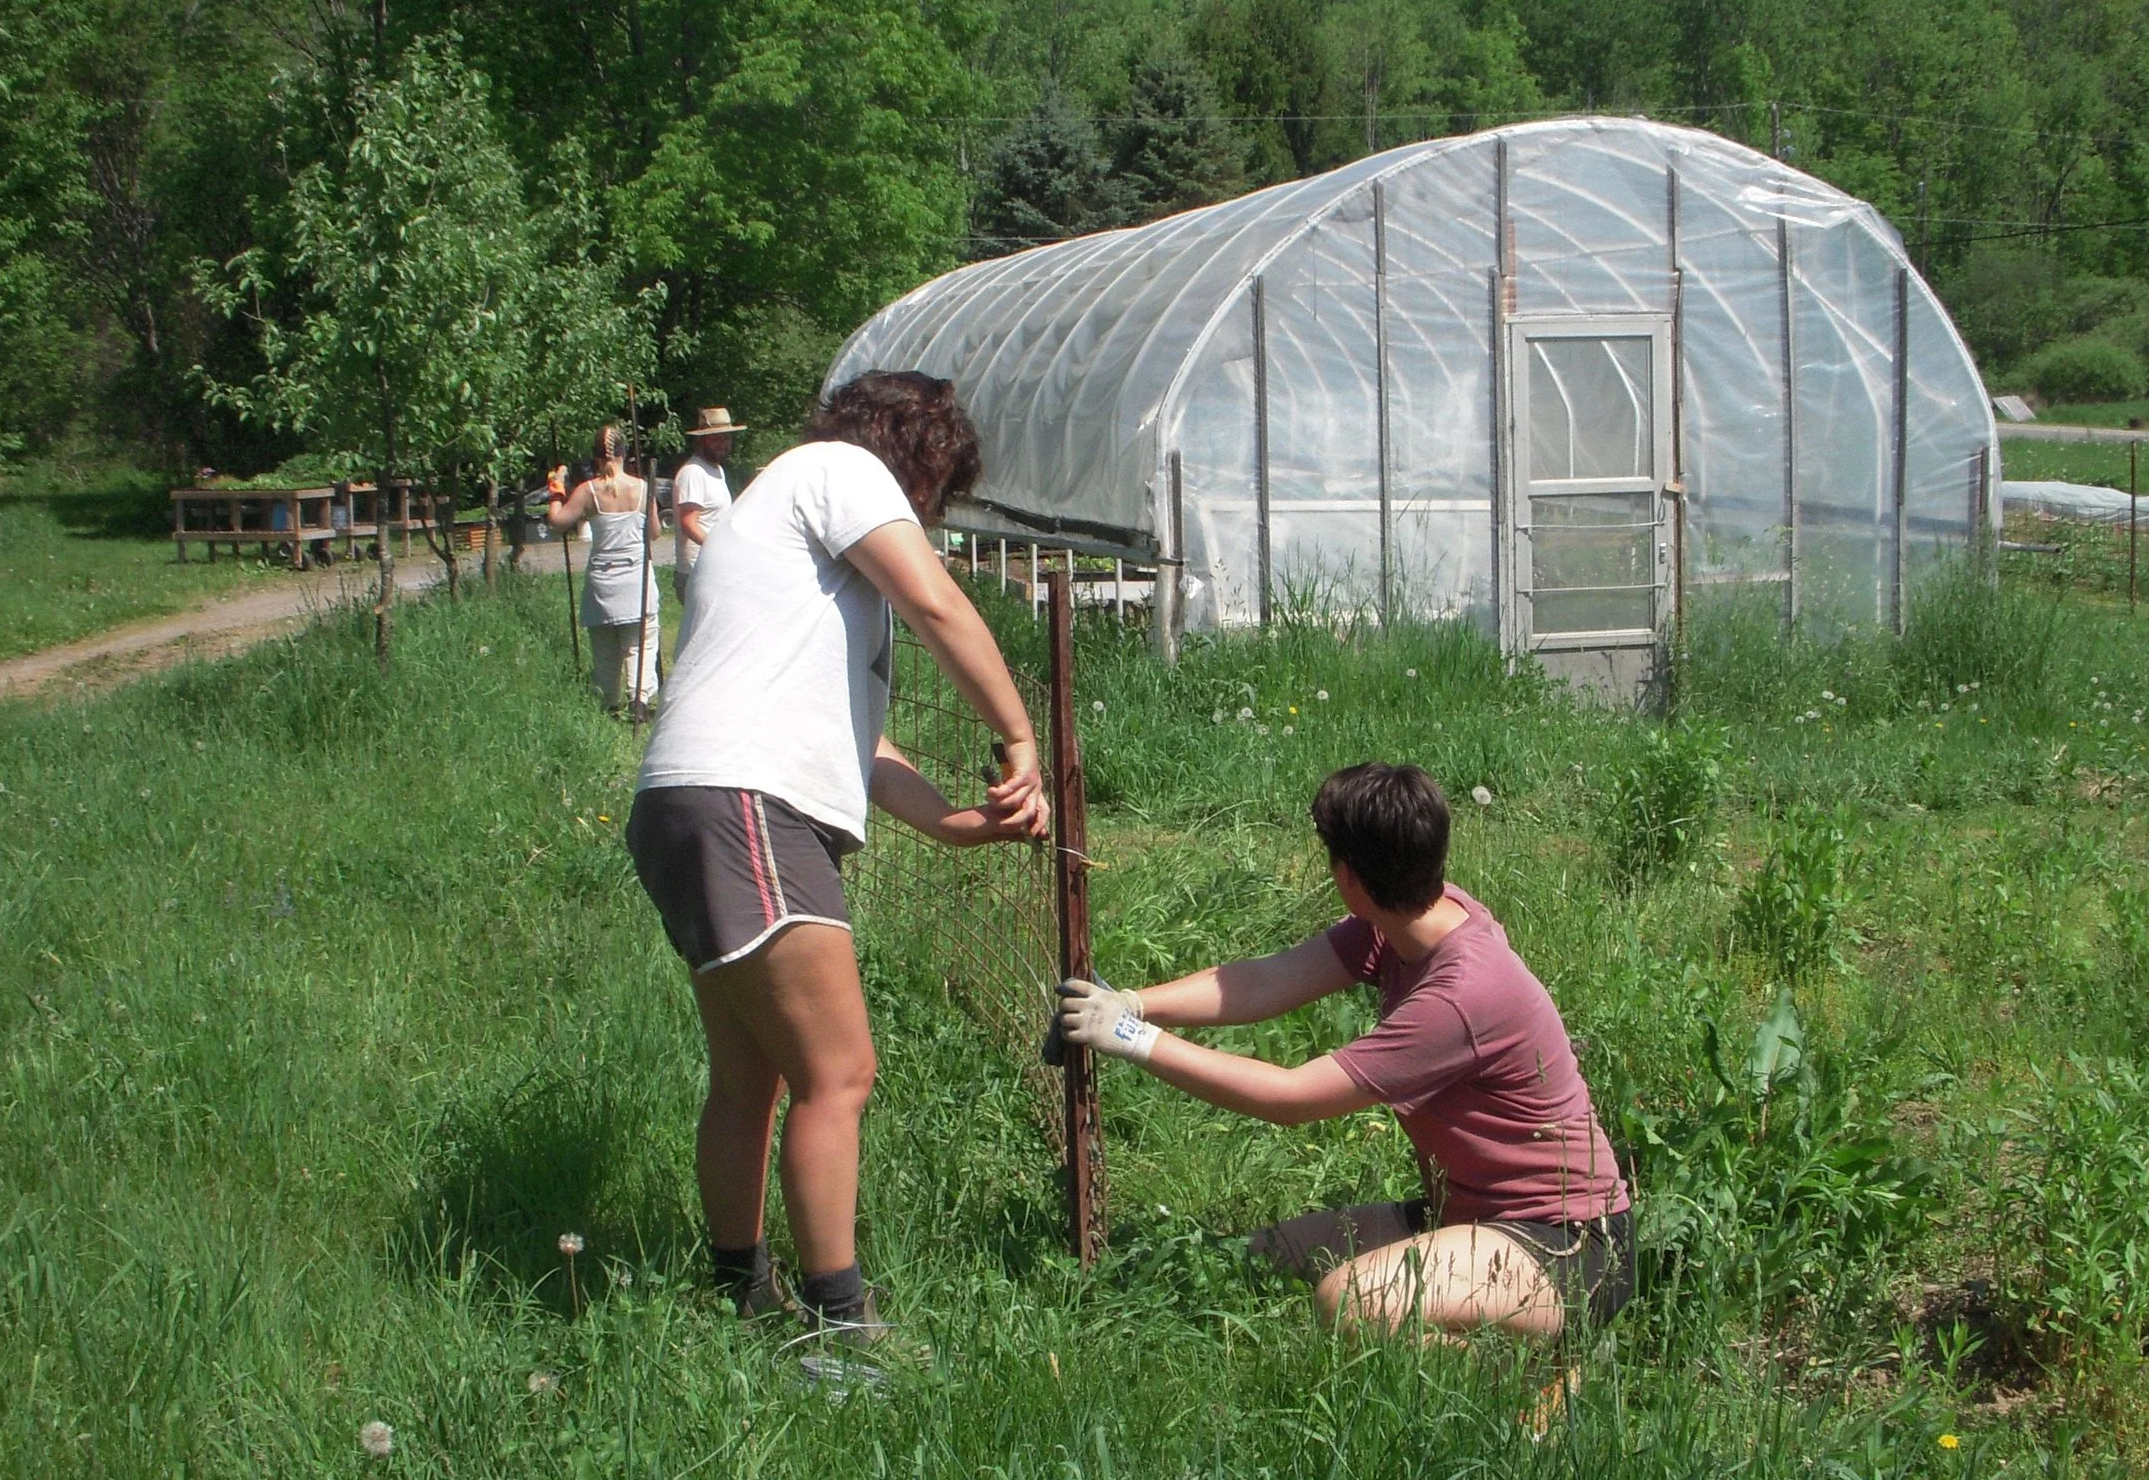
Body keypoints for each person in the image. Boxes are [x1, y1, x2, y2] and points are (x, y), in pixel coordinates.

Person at [626, 370, 1050, 1341]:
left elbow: (857, 743)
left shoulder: (779, 527)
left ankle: (739, 1289)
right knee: (840, 1074)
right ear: (918, 458)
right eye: (934, 500)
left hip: (690, 801)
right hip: (748, 804)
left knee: (751, 1078)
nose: (927, 522)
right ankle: (839, 1327)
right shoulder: (840, 470)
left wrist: (947, 821)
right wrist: (1016, 734)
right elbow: (939, 607)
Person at [1058, 762, 1632, 1348]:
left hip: (1566, 1244)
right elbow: (1265, 981)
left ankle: (1538, 1383)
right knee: (1263, 1257)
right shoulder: (1412, 921)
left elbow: (1292, 1098)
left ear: (1350, 878)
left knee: (1351, 1302)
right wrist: (1129, 1002)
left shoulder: (1461, 994)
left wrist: (1131, 1039)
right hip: (1467, 1215)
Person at [547, 424, 663, 714]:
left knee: (605, 646)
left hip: (603, 578)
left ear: (596, 459)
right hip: (636, 576)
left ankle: (610, 701)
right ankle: (639, 698)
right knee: (640, 642)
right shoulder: (642, 488)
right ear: (624, 455)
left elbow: (558, 522)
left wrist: (556, 490)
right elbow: (655, 533)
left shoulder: (588, 491)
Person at [671, 406, 742, 636]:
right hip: (697, 570)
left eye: (726, 438)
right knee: (704, 639)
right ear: (702, 440)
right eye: (716, 439)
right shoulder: (694, 472)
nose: (722, 443)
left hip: (714, 566)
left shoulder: (716, 470)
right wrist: (718, 546)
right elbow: (689, 523)